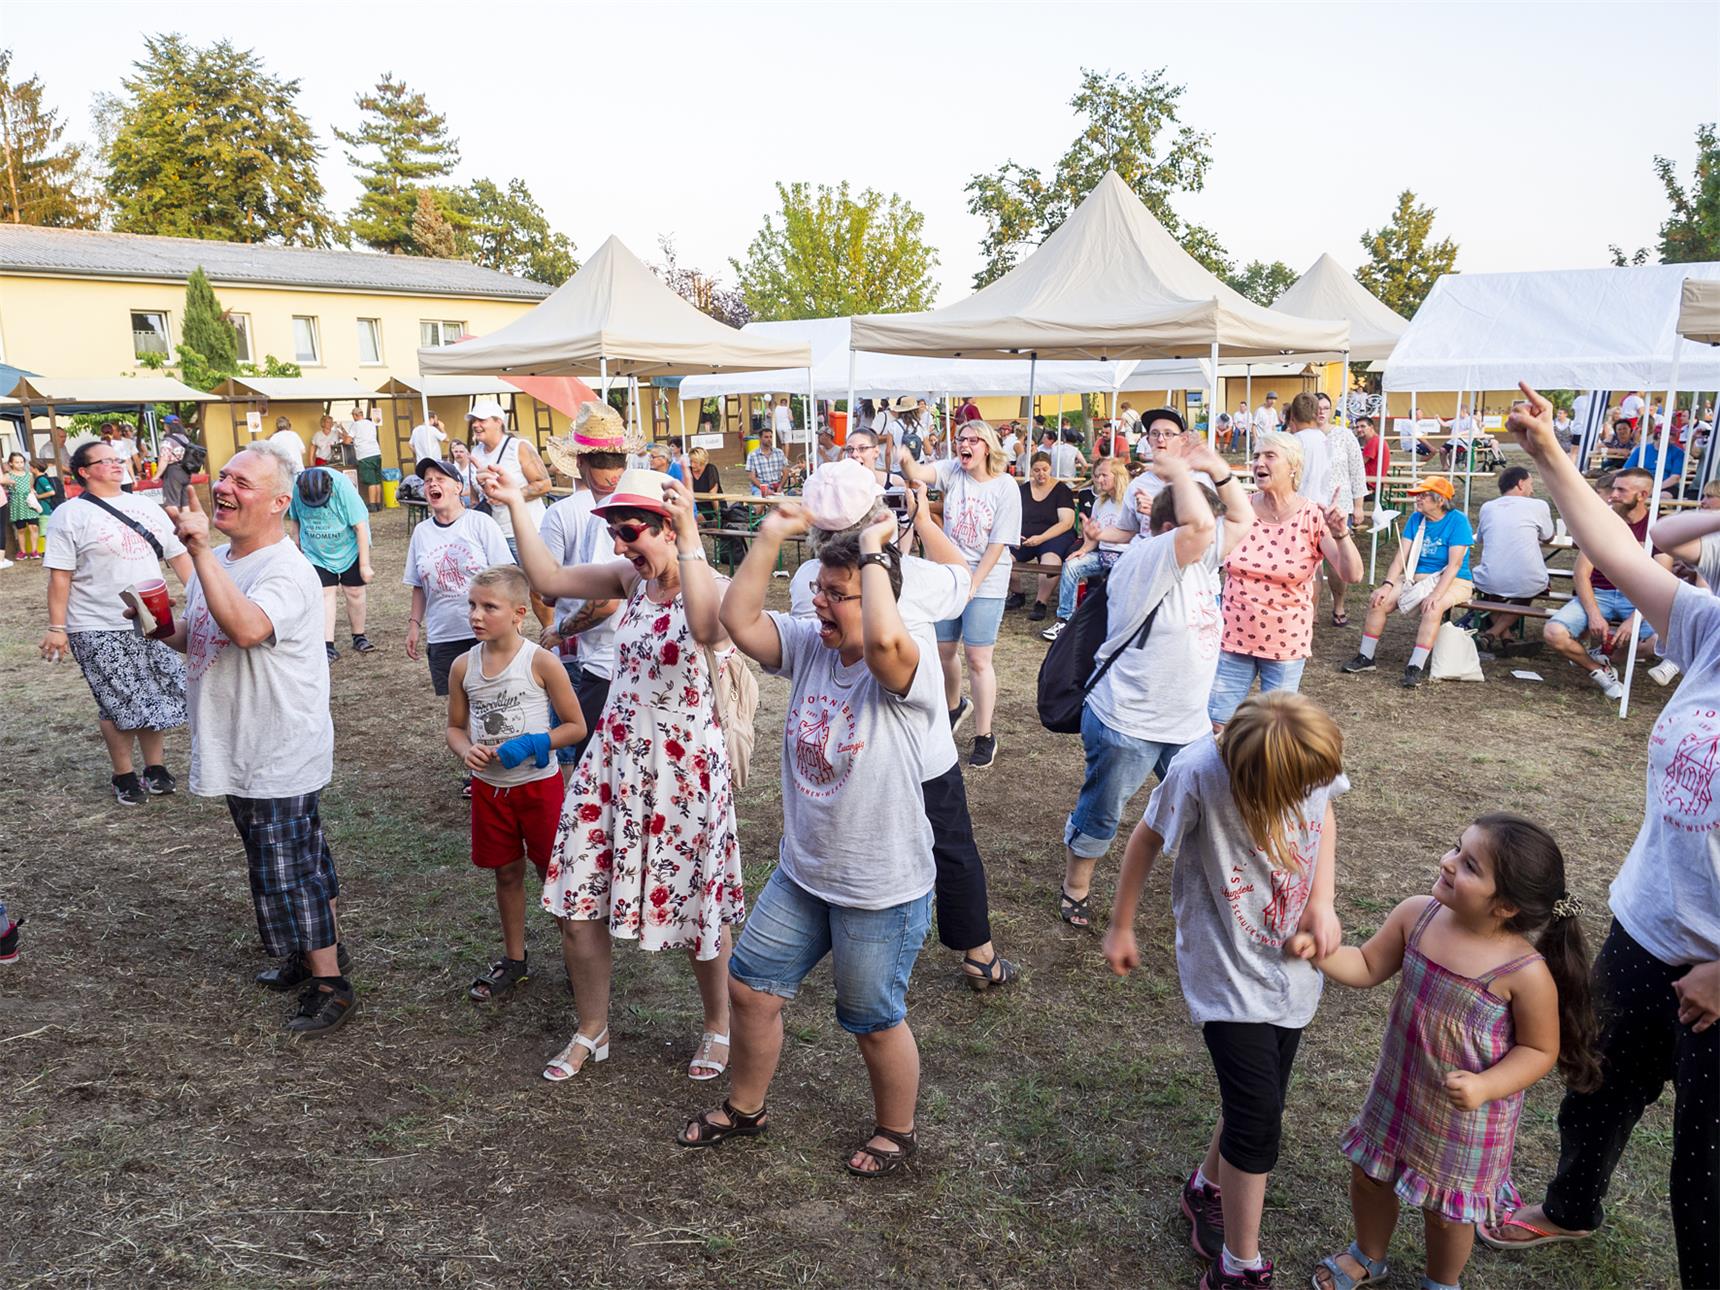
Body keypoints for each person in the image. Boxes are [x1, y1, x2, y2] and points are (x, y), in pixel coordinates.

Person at [1474, 386, 1719, 1290]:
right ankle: (1571, 1208)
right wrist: (1548, 452)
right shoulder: (1710, 631)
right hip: (1649, 928)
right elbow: (1618, 547)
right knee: (1595, 1087)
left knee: (1705, 1172)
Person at [683, 496, 939, 1175]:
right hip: (804, 872)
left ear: (879, 598)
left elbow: (881, 644)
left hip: (879, 887)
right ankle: (746, 1108)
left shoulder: (907, 666)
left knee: (872, 1018)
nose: (819, 603)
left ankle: (897, 1131)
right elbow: (737, 620)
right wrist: (771, 533)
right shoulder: (809, 647)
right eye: (818, 588)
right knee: (750, 988)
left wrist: (876, 550)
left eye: (837, 594)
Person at [486, 467, 743, 1085]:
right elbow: (549, 580)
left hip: (682, 770)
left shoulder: (715, 587)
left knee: (697, 909)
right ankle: (592, 1028)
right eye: (615, 534)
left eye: (631, 532)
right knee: (577, 898)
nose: (621, 546)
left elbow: (706, 628)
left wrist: (690, 537)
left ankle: (719, 1025)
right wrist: (516, 502)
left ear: (669, 526)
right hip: (612, 760)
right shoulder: (631, 580)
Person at [1103, 693, 1347, 1289]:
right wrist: (1121, 925)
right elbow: (1146, 839)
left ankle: (1206, 1188)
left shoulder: (1305, 762)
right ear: (1249, 778)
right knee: (1258, 1123)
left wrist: (1321, 902)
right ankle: (1238, 1265)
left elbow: (1324, 819)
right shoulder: (1197, 772)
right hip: (1225, 971)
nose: (1304, 798)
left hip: (1288, 971)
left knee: (1258, 1104)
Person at [1299, 814, 1599, 1290]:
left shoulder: (1525, 972)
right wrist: (1320, 951)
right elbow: (1367, 965)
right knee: (1370, 1175)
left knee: (1447, 1213)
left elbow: (1539, 1049)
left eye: (1469, 865)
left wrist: (1486, 1086)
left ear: (1504, 906)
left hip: (1468, 1117)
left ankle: (1442, 1282)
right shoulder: (1416, 915)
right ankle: (1368, 1255)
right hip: (1400, 1088)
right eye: (1457, 848)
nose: (1448, 861)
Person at [787, 465, 1018, 990]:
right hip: (922, 748)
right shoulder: (910, 575)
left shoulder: (810, 582)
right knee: (952, 844)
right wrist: (924, 521)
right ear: (878, 517)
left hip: (852, 754)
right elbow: (962, 579)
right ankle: (978, 954)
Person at [162, 441, 355, 1035]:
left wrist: (199, 552)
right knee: (291, 859)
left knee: (289, 872)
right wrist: (159, 626)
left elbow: (246, 628)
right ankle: (310, 950)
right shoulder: (223, 558)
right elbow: (205, 629)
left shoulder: (286, 570)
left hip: (278, 747)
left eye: (242, 483)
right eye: (224, 476)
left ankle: (332, 984)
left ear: (277, 503)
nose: (223, 487)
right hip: (239, 742)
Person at [1057, 446, 1250, 930]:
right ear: (1169, 529)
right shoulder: (1147, 558)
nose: (1213, 537)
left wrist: (1216, 469)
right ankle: (1076, 887)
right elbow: (1200, 528)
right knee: (1103, 810)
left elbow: (1242, 519)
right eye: (1201, 526)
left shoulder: (1200, 561)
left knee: (1210, 811)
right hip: (1129, 721)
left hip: (1187, 724)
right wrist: (1179, 473)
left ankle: (1215, 891)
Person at [445, 564, 586, 1004]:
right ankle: (514, 957)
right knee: (506, 872)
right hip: (490, 791)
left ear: (519, 613)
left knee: (551, 873)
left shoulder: (540, 661)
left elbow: (576, 726)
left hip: (539, 788)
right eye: (472, 605)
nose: (476, 615)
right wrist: (465, 750)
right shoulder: (463, 666)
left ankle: (579, 958)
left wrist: (534, 742)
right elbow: (454, 727)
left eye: (489, 607)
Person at [40, 439, 192, 804]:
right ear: (84, 472)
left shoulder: (144, 506)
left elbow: (178, 555)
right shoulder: (70, 514)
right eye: (104, 461)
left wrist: (203, 598)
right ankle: (124, 775)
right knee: (118, 699)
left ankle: (155, 768)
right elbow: (60, 576)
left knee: (155, 691)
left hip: (153, 616)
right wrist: (57, 627)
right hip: (96, 622)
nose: (116, 463)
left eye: (116, 458)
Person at [1209, 434, 1361, 726]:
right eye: (1256, 456)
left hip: (1285, 643)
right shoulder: (1240, 511)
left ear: (1293, 466)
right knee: (1217, 723)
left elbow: (1352, 574)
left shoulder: (1312, 516)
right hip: (1233, 637)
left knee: (1274, 728)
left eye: (1269, 456)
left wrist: (1341, 534)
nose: (1259, 463)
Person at [897, 420, 1021, 770]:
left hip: (987, 579)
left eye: (972, 440)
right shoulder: (953, 471)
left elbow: (998, 544)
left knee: (978, 659)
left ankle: (984, 735)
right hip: (948, 573)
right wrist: (905, 458)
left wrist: (974, 584)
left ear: (987, 446)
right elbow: (917, 471)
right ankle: (954, 706)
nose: (964, 445)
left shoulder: (1005, 487)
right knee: (943, 650)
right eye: (960, 439)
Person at [537, 404, 639, 776]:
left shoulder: (610, 512)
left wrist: (561, 629)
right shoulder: (640, 500)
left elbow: (605, 602)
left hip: (607, 665)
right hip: (637, 661)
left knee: (595, 773)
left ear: (578, 462)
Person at [1539, 468, 1662, 701]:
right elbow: (1581, 574)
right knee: (1554, 633)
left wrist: (1634, 620)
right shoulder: (1601, 523)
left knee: (1660, 643)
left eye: (1621, 490)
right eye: (1613, 488)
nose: (1613, 495)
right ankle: (1598, 669)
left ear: (1642, 495)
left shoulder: (1657, 527)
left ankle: (1612, 657)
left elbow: (1662, 582)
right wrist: (1594, 615)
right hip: (1601, 594)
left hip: (1641, 597)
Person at [1339, 476, 1474, 689]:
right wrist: (1387, 585)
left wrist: (1435, 595)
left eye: (1423, 495)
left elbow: (1455, 565)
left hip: (1454, 580)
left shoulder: (1458, 521)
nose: (1417, 499)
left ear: (1440, 500)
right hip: (1415, 576)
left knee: (1433, 608)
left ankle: (1415, 667)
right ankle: (1366, 657)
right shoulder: (1416, 519)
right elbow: (1400, 558)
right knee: (1378, 600)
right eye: (1417, 495)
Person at [403, 456, 512, 708]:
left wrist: (510, 624)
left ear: (458, 487)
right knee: (459, 708)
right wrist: (414, 625)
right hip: (443, 634)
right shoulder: (421, 532)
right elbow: (419, 584)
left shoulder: (480, 523)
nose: (432, 484)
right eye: (427, 481)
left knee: (495, 702)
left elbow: (506, 576)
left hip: (484, 632)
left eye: (440, 479)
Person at [286, 465, 375, 662]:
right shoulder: (298, 488)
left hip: (349, 547)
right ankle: (327, 645)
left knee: (355, 592)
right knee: (325, 593)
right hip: (316, 551)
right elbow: (295, 520)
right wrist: (297, 544)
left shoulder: (343, 488)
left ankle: (359, 636)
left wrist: (364, 565)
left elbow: (360, 527)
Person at [1043, 454, 1134, 641]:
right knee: (1072, 565)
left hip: (1127, 556)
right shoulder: (1100, 502)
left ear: (1117, 475)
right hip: (1103, 554)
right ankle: (1065, 620)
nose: (1099, 480)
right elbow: (1093, 536)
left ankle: (1120, 627)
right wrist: (1083, 550)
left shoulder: (1129, 501)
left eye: (1104, 475)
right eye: (1097, 475)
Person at [1471, 466, 1555, 651]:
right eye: (1530, 484)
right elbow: (1548, 537)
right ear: (1521, 484)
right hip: (1528, 579)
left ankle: (1499, 635)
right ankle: (1496, 634)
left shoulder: (1488, 507)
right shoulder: (1538, 505)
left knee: (1492, 590)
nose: (1532, 490)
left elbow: (1480, 538)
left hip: (1491, 578)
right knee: (1530, 586)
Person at [467, 397, 551, 563]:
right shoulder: (475, 453)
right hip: (492, 536)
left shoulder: (518, 447)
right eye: (474, 420)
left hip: (526, 531)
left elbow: (544, 484)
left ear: (498, 422)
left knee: (534, 578)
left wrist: (509, 496)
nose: (475, 425)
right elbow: (474, 496)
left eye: (482, 420)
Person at [1009, 452, 1077, 622]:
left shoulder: (1062, 490)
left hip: (1055, 535)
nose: (1041, 474)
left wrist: (1041, 538)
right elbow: (1010, 516)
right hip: (1025, 536)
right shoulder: (1022, 490)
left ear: (1051, 468)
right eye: (1036, 470)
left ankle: (1041, 602)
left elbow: (1066, 522)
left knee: (1050, 562)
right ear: (1031, 470)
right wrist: (1014, 534)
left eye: (1045, 469)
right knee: (1003, 558)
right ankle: (1017, 593)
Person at [1319, 393, 1368, 627]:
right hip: (1310, 505)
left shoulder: (1344, 435)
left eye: (1325, 407)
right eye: (1317, 407)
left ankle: (1338, 605)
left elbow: (1357, 471)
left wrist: (1359, 506)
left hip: (1340, 507)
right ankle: (1312, 609)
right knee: (1309, 562)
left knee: (1336, 561)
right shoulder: (1302, 436)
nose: (1321, 411)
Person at [1284, 392, 1332, 507]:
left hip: (1300, 504)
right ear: (1316, 414)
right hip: (1322, 503)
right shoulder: (1324, 439)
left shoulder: (1295, 441)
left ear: (1292, 416)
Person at [346, 405, 384, 512]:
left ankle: (372, 505)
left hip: (365, 455)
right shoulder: (371, 423)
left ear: (355, 415)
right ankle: (378, 504)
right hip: (376, 453)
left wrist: (344, 436)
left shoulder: (355, 425)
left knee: (371, 481)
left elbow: (347, 441)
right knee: (377, 480)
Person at [7, 452, 41, 559]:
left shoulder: (29, 475)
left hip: (29, 502)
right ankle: (22, 551)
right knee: (21, 529)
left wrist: (33, 492)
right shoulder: (8, 475)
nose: (20, 464)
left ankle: (34, 551)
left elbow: (31, 487)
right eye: (17, 462)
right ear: (11, 463)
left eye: (21, 462)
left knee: (34, 527)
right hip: (17, 504)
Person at [746, 427, 788, 497]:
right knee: (760, 502)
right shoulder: (752, 455)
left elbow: (786, 473)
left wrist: (780, 486)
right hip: (759, 487)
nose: (769, 439)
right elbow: (752, 476)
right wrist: (764, 489)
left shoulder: (779, 453)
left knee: (783, 502)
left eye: (771, 437)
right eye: (766, 437)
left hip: (776, 487)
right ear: (760, 438)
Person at [157, 433, 195, 510]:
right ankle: (186, 517)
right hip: (186, 471)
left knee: (172, 504)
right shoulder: (185, 439)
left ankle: (175, 518)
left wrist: (157, 475)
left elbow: (164, 459)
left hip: (173, 472)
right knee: (185, 504)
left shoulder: (168, 441)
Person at [687, 445, 721, 526]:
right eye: (691, 461)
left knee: (693, 518)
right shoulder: (688, 470)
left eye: (695, 462)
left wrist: (718, 514)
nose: (692, 465)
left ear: (702, 462)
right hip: (695, 505)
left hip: (710, 505)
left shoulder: (710, 469)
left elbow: (713, 494)